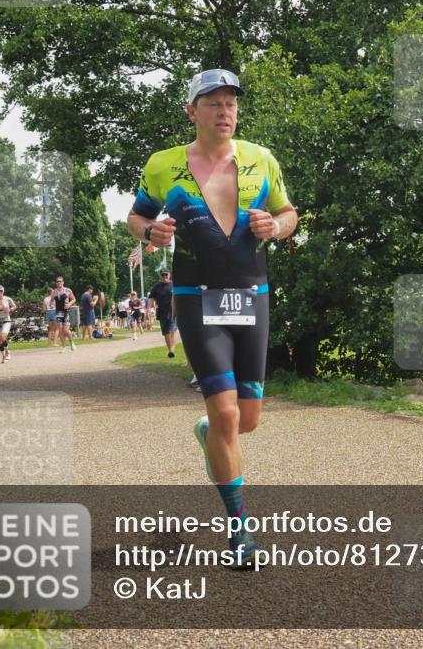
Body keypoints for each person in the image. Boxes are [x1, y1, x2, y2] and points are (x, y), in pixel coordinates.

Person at [128, 67, 297, 566]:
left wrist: (277, 227)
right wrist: (148, 232)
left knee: (245, 421)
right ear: (191, 111)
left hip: (252, 294)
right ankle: (241, 531)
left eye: (231, 103)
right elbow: (136, 215)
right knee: (225, 412)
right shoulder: (163, 166)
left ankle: (210, 434)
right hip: (195, 296)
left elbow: (290, 214)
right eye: (213, 103)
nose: (225, 112)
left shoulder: (261, 160)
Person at [148, 268, 177, 357]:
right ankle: (170, 351)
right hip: (162, 312)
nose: (164, 276)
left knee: (173, 330)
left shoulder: (174, 285)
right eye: (163, 275)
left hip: (173, 311)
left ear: (169, 275)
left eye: (166, 274)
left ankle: (172, 350)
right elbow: (151, 298)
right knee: (166, 333)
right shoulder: (157, 286)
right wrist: (149, 308)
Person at [51, 276, 77, 353]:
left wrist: (69, 304)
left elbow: (74, 299)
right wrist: (52, 304)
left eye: (60, 281)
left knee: (66, 330)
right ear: (56, 283)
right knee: (60, 330)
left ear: (63, 282)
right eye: (57, 281)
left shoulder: (67, 290)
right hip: (58, 312)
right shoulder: (54, 292)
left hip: (66, 311)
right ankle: (64, 347)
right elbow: (51, 301)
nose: (59, 283)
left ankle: (72, 343)